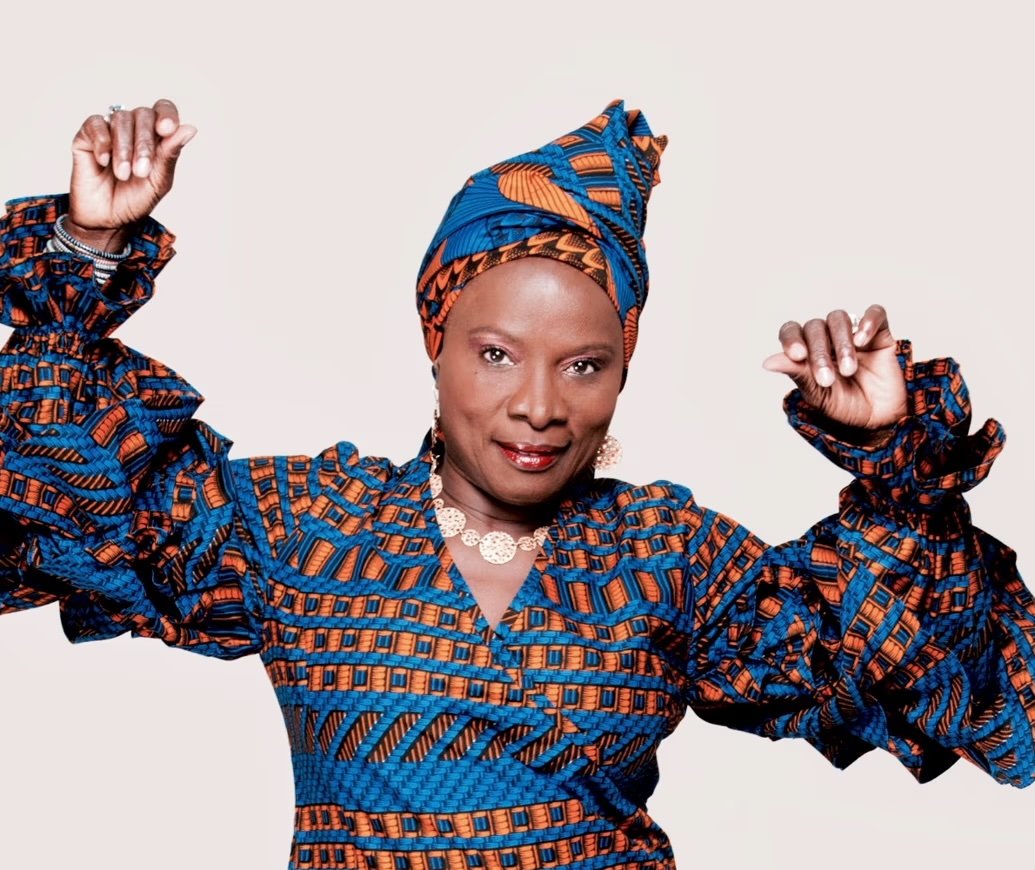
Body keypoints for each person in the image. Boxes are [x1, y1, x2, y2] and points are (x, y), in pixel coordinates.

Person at [0, 97, 1032, 870]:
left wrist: (898, 463)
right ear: (437, 346)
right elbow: (77, 502)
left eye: (584, 365)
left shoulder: (671, 557)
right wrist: (88, 250)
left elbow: (916, 672)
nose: (540, 405)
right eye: (497, 354)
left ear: (622, 372)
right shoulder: (306, 529)